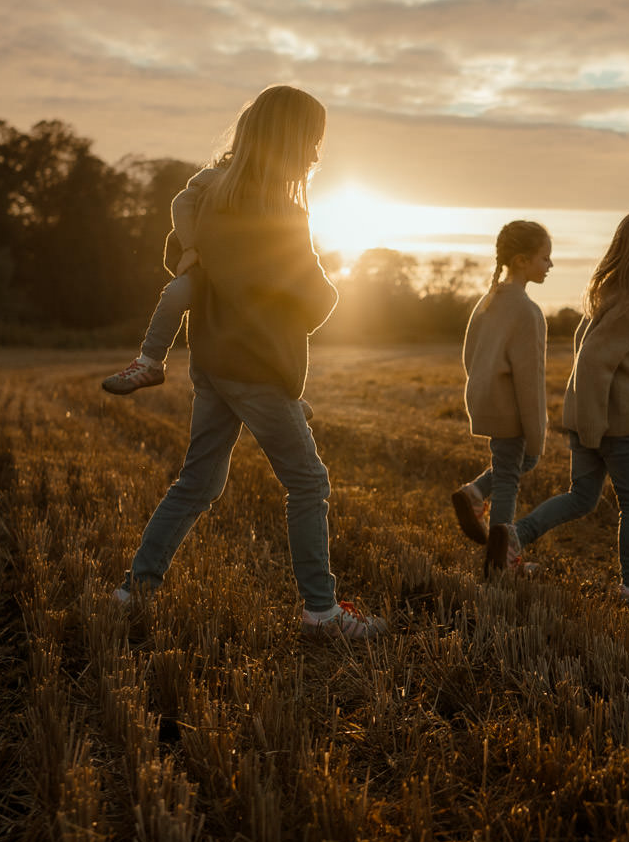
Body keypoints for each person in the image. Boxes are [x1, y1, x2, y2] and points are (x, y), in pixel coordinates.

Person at [115, 84, 385, 638]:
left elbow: (184, 258)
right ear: (290, 139)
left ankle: (134, 591)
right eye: (312, 141)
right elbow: (311, 296)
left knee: (199, 483)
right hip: (256, 367)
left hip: (212, 361)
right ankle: (320, 612)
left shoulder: (211, 198)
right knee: (308, 482)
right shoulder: (275, 210)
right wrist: (324, 298)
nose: (316, 154)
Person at [487, 211, 629, 605]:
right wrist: (596, 429)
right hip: (614, 428)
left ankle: (512, 538)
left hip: (594, 420)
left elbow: (610, 362)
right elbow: (594, 364)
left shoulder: (607, 296)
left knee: (581, 497)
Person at [451, 221, 552, 570]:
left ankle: (476, 492)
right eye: (545, 258)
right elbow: (530, 381)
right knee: (510, 475)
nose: (550, 265)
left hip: (486, 401)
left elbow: (469, 355)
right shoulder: (527, 311)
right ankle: (503, 557)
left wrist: (482, 387)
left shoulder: (488, 301)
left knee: (513, 464)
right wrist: (537, 432)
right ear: (522, 260)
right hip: (511, 408)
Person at [102, 164, 225, 395]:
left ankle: (281, 393)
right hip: (206, 272)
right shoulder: (217, 177)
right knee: (175, 294)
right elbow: (181, 203)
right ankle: (151, 362)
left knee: (265, 324)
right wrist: (189, 249)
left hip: (247, 277)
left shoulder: (275, 189)